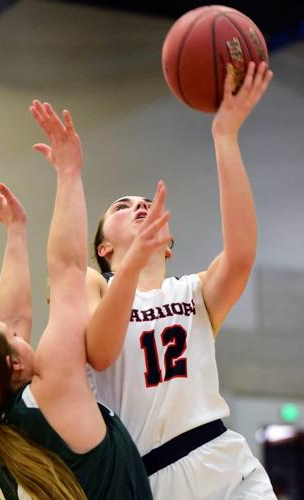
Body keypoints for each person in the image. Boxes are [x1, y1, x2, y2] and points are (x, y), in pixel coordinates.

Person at [0, 100, 171, 500]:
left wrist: (16, 232)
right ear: (12, 362)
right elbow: (67, 269)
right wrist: (68, 172)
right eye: (8, 335)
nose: (15, 329)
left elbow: (14, 317)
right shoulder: (53, 390)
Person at [86, 62, 277, 499]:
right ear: (102, 249)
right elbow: (98, 352)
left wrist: (224, 136)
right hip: (154, 476)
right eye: (121, 206)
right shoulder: (96, 291)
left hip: (226, 461)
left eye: (148, 203)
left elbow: (242, 253)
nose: (138, 206)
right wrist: (130, 267)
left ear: (168, 242)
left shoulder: (193, 292)